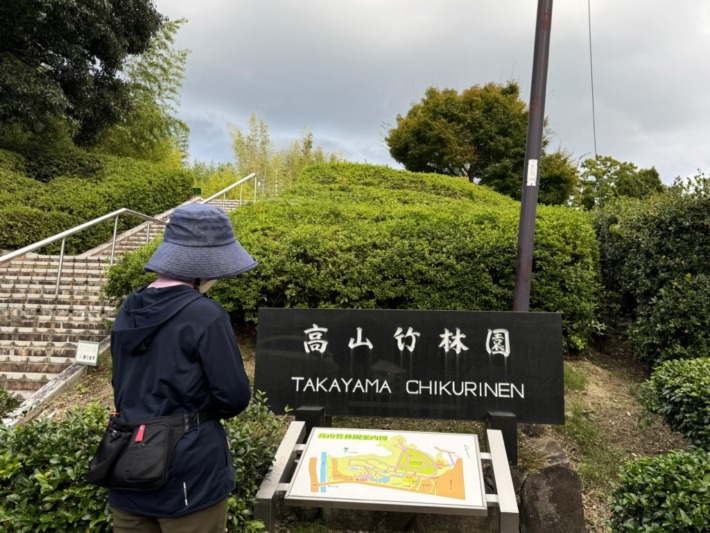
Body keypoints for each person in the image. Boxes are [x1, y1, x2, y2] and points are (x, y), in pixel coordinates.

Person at [108, 203, 256, 532]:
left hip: (128, 463)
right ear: (205, 267)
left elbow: (122, 386)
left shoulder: (128, 308)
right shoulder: (206, 315)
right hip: (189, 474)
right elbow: (234, 397)